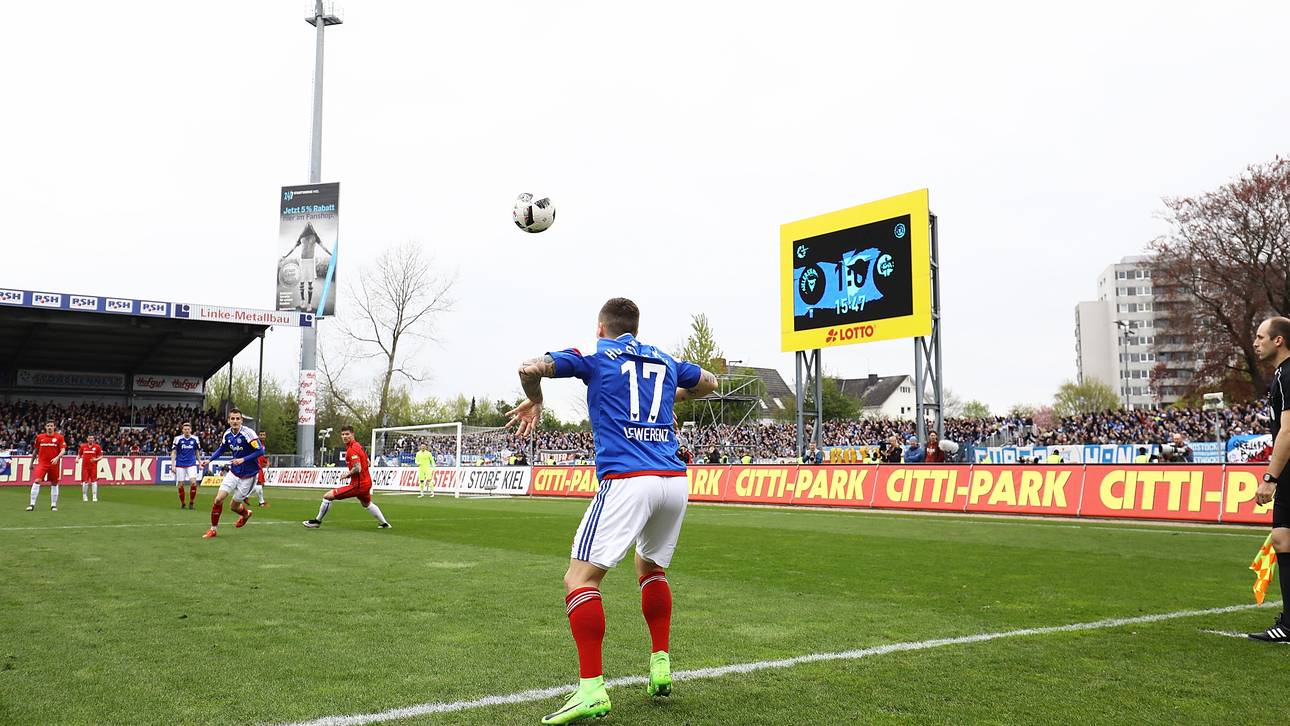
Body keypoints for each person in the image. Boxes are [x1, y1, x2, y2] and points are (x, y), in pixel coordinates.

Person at [505, 297, 717, 725]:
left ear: (601, 328)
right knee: (650, 568)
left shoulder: (596, 355)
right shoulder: (664, 358)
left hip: (627, 479)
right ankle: (660, 661)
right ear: (634, 329)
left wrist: (536, 399)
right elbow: (710, 381)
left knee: (579, 579)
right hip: (674, 482)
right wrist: (668, 396)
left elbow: (529, 367)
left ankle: (591, 689)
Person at [1247, 317, 1290, 642]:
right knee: (1282, 539)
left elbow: (1288, 432)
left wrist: (1270, 477)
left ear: (1279, 341)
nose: (1256, 342)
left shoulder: (1288, 375)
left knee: (1282, 539)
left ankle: (1289, 626)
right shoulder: (1280, 376)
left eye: (1261, 337)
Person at [302, 425, 390, 529]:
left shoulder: (352, 450)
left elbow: (358, 468)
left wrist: (347, 475)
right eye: (343, 434)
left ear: (352, 434)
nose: (344, 436)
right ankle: (384, 524)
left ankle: (317, 521)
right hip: (366, 483)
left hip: (358, 485)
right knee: (367, 504)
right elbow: (368, 462)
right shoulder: (358, 446)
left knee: (327, 496)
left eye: (347, 434)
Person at [201, 409, 265, 539]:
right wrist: (209, 459)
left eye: (237, 419)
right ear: (229, 420)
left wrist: (243, 459)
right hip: (234, 472)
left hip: (249, 476)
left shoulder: (248, 433)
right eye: (232, 419)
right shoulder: (227, 434)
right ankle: (213, 530)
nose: (235, 421)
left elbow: (260, 451)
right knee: (218, 499)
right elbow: (221, 449)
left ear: (241, 420)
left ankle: (246, 514)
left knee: (233, 506)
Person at [26, 421, 65, 512]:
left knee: (54, 483)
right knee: (37, 480)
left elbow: (63, 450)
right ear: (45, 427)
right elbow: (35, 451)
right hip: (42, 463)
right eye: (48, 426)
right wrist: (31, 463)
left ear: (54, 427)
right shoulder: (40, 437)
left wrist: (57, 457)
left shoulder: (59, 437)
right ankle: (31, 504)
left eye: (51, 426)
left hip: (54, 464)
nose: (49, 427)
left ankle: (53, 505)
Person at [172, 423, 203, 510]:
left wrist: (200, 462)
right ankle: (183, 503)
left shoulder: (195, 439)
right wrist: (172, 465)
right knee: (181, 485)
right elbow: (174, 452)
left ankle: (191, 502)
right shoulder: (177, 439)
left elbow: (197, 451)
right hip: (180, 464)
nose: (187, 431)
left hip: (191, 464)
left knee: (193, 483)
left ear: (191, 430)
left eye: (188, 429)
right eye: (185, 429)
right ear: (182, 430)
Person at [78, 434, 104, 503]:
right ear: (87, 439)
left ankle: (94, 496)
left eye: (92, 438)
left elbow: (101, 456)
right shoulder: (83, 446)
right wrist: (77, 459)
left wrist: (95, 459)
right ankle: (84, 495)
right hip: (85, 467)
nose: (90, 439)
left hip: (93, 467)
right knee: (85, 482)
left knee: (94, 482)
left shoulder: (97, 447)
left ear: (93, 439)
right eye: (89, 438)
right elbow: (79, 455)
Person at [251, 432, 269, 507]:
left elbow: (260, 455)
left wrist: (265, 460)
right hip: (256, 466)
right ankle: (261, 502)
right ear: (258, 436)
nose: (262, 436)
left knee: (260, 484)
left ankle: (246, 496)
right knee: (259, 484)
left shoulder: (263, 445)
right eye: (261, 435)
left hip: (259, 466)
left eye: (264, 435)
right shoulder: (256, 443)